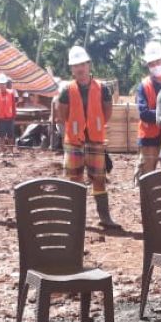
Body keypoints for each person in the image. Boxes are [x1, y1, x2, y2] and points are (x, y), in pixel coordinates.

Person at [56, 45, 120, 229]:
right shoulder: (67, 90)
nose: (80, 68)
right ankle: (74, 218)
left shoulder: (102, 88)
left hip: (96, 139)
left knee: (98, 179)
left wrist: (95, 125)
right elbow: (63, 114)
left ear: (88, 65)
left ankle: (105, 217)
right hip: (74, 141)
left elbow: (107, 111)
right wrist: (77, 128)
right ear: (72, 69)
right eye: (76, 65)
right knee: (74, 179)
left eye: (82, 64)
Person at [135, 41, 161, 178]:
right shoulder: (143, 86)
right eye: (152, 64)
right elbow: (144, 114)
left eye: (158, 62)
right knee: (146, 177)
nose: (156, 66)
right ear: (148, 65)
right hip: (149, 138)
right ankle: (146, 200)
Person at [0, 73, 18, 150]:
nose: (2, 85)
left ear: (6, 84)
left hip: (10, 117)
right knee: (1, 135)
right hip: (0, 118)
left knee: (10, 135)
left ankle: (11, 151)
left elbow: (13, 105)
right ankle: (2, 150)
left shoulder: (11, 93)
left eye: (3, 84)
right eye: (1, 84)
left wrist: (14, 116)